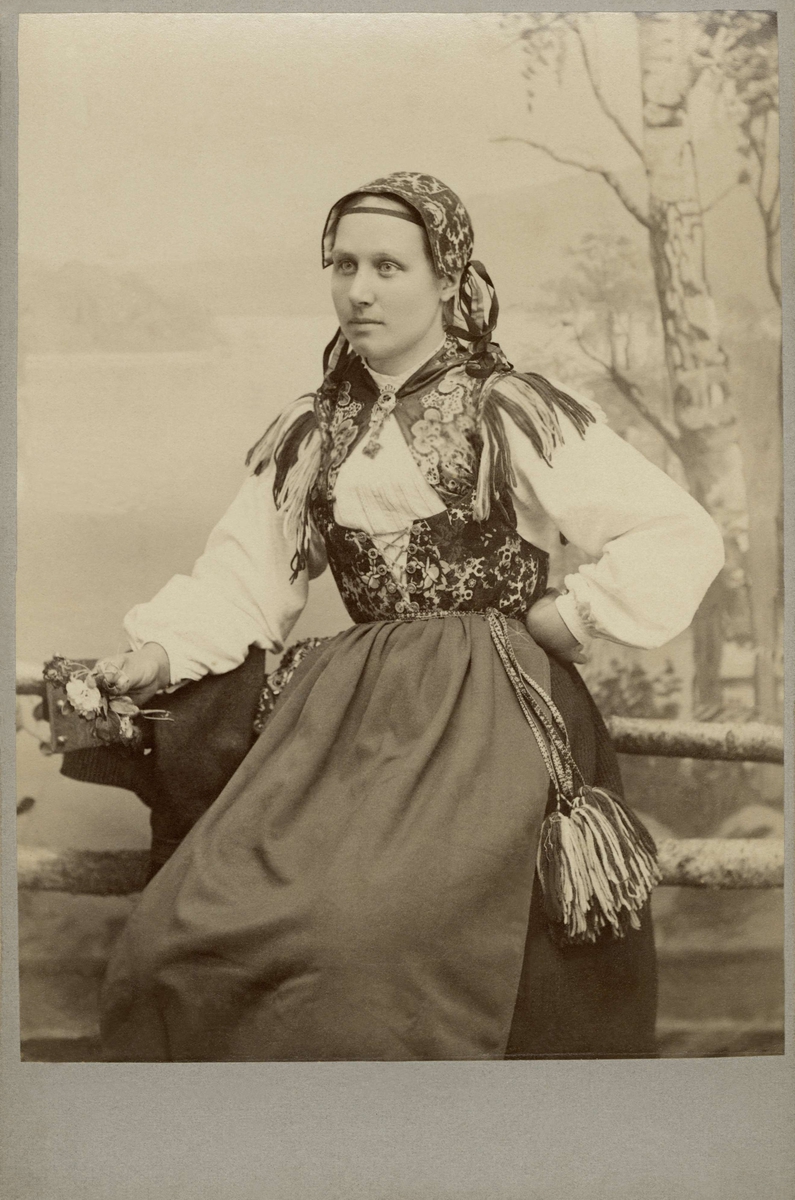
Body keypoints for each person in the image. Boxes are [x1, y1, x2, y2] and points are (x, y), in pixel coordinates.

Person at [95, 173, 724, 1061]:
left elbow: (676, 531)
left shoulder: (509, 409)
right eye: (343, 265)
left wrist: (574, 614)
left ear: (447, 278)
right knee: (184, 938)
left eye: (388, 267)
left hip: (492, 718)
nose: (359, 290)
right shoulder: (314, 427)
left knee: (372, 950)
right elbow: (244, 578)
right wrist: (159, 654)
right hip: (355, 723)